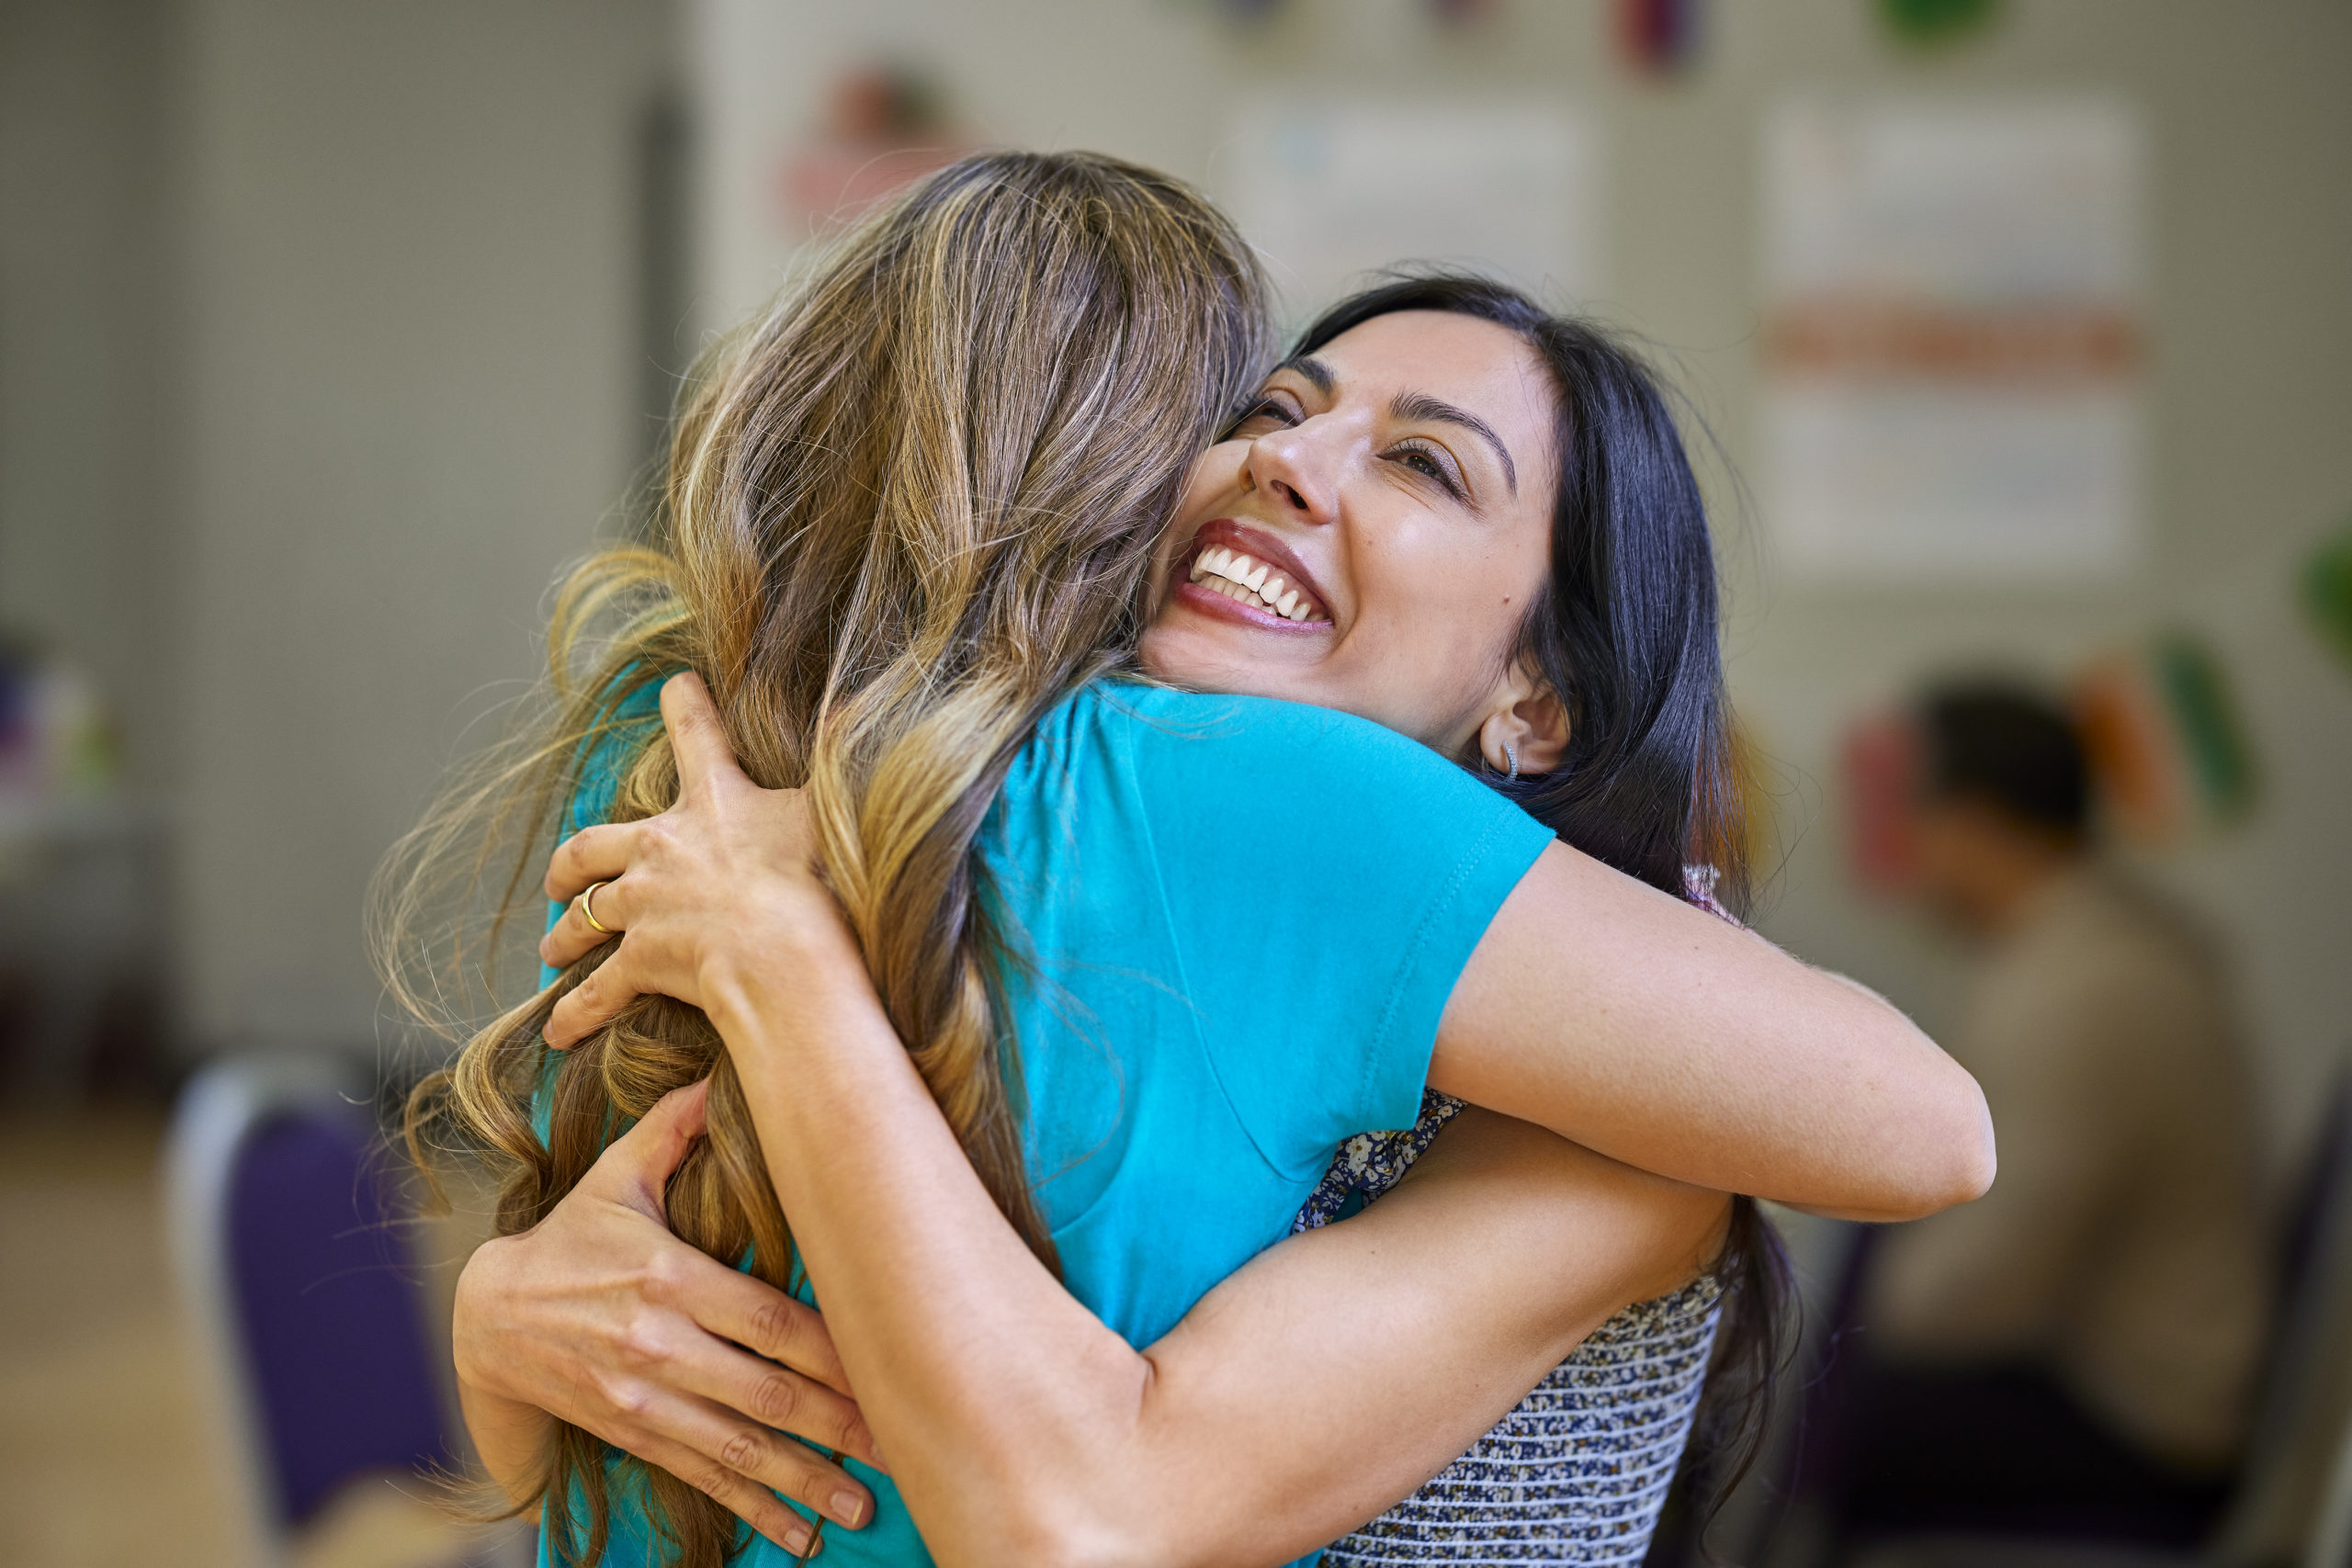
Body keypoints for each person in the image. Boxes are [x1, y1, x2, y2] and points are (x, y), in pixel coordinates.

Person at [391, 152, 1992, 1568]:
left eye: (1424, 464)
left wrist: (783, 957)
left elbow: (1085, 1512)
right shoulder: (982, 810)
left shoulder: (1411, 917)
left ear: (1539, 699)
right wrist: (504, 1319)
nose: (1288, 461)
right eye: (1269, 411)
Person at [1837, 680, 2267, 1547]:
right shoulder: (2083, 943)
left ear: (1981, 821)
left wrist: (1830, 1318)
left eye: (1912, 810)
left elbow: (1984, 1284)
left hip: (2144, 1420)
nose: (1900, 844)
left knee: (1803, 1420)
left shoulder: (2085, 988)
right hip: (2110, 1368)